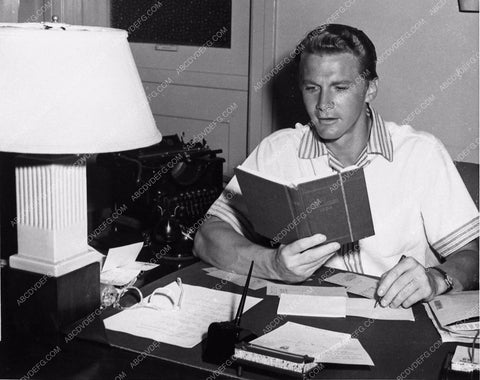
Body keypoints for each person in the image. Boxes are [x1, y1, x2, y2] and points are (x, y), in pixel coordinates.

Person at [193, 24, 479, 308]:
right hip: (298, 320)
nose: (323, 105)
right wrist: (274, 265)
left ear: (370, 89)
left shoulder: (421, 153)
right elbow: (207, 237)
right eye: (312, 88)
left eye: (340, 88)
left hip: (397, 324)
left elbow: (472, 255)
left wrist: (437, 278)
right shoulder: (277, 151)